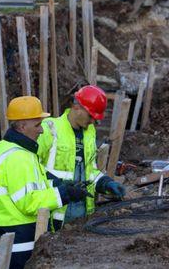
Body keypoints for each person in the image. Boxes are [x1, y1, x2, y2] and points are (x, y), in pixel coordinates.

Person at [0, 96, 90, 268]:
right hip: (17, 241)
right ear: (22, 126)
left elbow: (35, 185)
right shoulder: (18, 157)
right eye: (37, 125)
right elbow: (29, 201)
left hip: (6, 237)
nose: (41, 130)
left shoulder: (4, 149)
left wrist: (61, 185)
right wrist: (65, 194)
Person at [37, 85, 126, 230]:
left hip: (83, 216)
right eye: (91, 116)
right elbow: (32, 166)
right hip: (55, 213)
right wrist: (60, 186)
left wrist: (105, 183)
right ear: (77, 107)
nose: (93, 121)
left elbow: (90, 171)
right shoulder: (50, 128)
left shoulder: (89, 132)